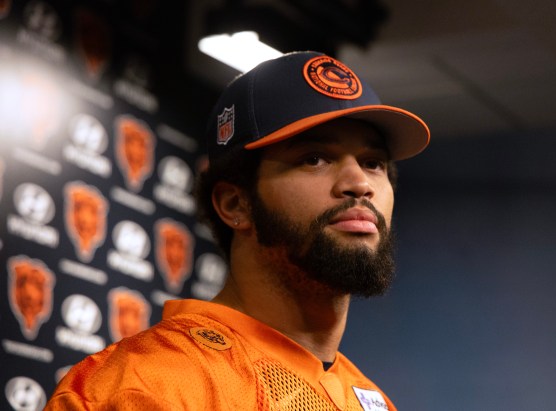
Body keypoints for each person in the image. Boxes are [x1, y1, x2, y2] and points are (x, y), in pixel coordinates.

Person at [45, 51, 430, 410]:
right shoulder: (143, 385)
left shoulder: (368, 399)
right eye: (314, 158)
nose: (359, 183)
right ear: (235, 204)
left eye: (373, 162)